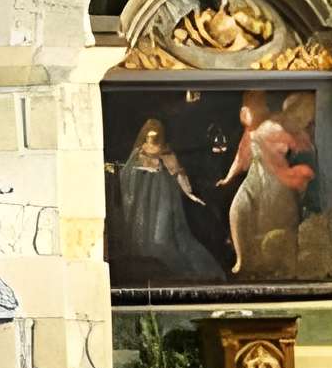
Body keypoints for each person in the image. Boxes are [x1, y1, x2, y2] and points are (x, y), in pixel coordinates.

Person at [111, 116, 225, 282]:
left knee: (162, 237)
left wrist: (190, 194)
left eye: (155, 138)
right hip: (142, 199)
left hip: (163, 197)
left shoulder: (167, 155)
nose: (151, 142)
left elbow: (179, 175)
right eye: (148, 138)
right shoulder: (138, 153)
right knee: (142, 238)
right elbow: (126, 176)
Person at [223, 91, 313, 279]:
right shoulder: (251, 132)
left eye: (260, 105)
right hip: (254, 178)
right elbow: (241, 157)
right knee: (238, 209)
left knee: (276, 222)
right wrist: (229, 178)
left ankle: (277, 266)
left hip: (276, 179)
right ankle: (243, 259)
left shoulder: (276, 124)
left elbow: (297, 142)